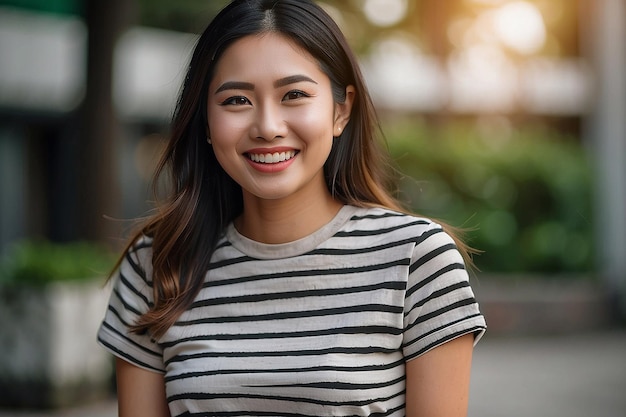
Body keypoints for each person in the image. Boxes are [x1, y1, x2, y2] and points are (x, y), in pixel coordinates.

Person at [98, 0, 487, 415]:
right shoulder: (157, 265)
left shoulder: (417, 260)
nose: (267, 126)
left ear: (341, 110)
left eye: (294, 95)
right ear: (206, 123)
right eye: (236, 101)